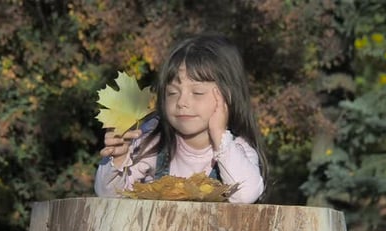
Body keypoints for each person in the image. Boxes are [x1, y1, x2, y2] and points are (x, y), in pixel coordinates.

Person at [94, 33, 268, 203]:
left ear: (227, 96)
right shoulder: (151, 140)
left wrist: (220, 136)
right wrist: (118, 159)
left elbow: (245, 196)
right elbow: (108, 197)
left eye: (197, 92)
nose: (181, 102)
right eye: (172, 93)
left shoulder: (237, 149)